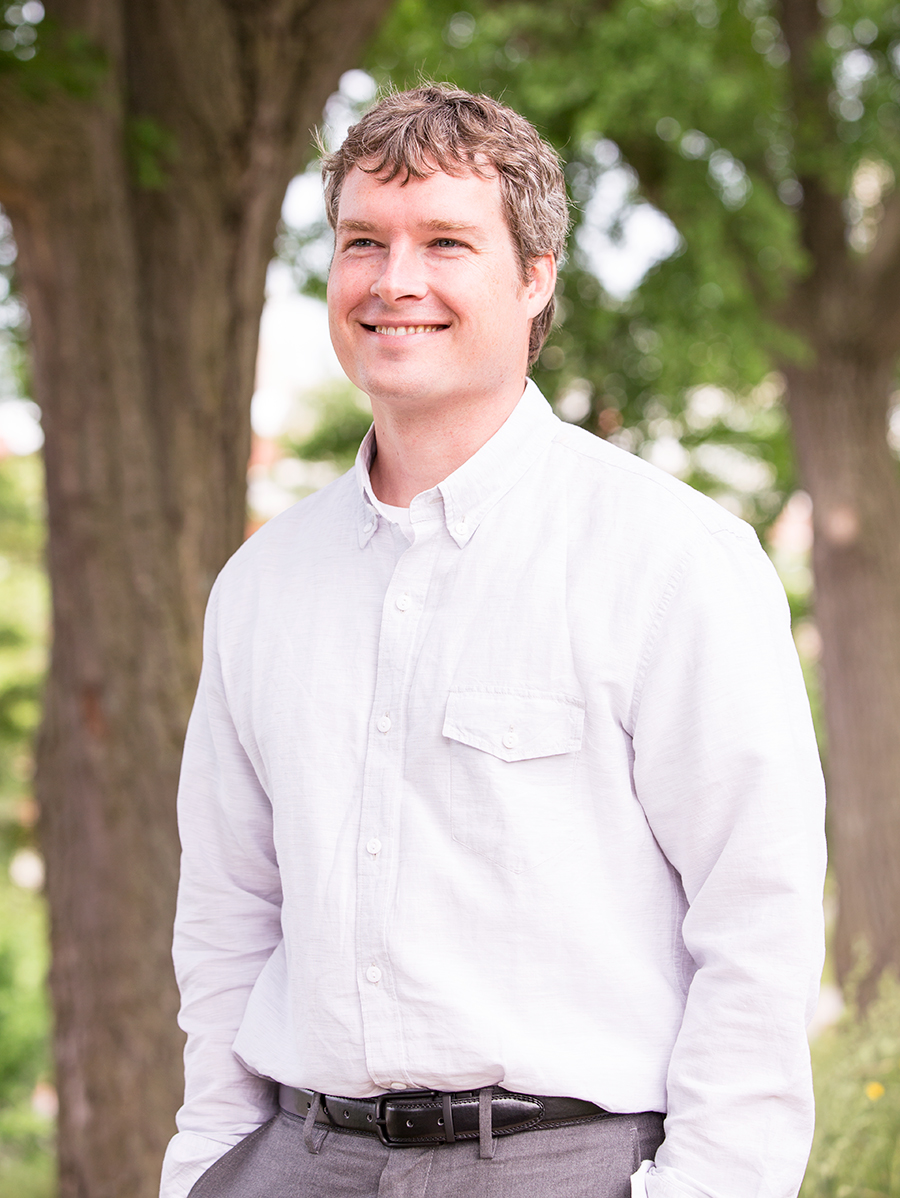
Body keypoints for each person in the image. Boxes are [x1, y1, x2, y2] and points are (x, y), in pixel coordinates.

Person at [160, 84, 826, 1198]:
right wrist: (205, 1172)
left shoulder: (671, 560)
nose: (394, 280)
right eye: (363, 240)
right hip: (289, 1161)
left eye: (445, 241)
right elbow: (229, 923)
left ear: (534, 276)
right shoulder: (262, 588)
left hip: (564, 1163)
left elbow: (756, 925)